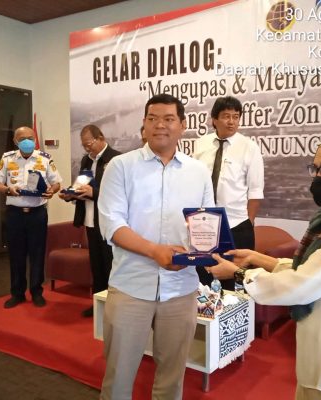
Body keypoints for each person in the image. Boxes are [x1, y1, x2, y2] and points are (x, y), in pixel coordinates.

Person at [208, 131, 321, 400]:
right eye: (316, 168)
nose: (319, 177)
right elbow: (312, 268)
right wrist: (258, 258)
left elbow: (305, 283)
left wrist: (238, 273)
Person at [97, 94, 214, 400]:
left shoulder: (198, 172)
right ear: (144, 124)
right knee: (118, 376)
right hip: (130, 286)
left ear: (183, 125)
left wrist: (205, 251)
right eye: (153, 118)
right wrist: (155, 251)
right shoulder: (120, 167)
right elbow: (112, 225)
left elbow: (206, 227)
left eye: (169, 119)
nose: (160, 125)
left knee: (172, 378)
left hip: (181, 288)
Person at [193, 96, 264, 290]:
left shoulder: (249, 147)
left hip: (236, 224)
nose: (231, 121)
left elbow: (255, 192)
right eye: (226, 116)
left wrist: (248, 222)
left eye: (236, 116)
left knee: (235, 284)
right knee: (205, 279)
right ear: (214, 119)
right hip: (205, 224)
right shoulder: (201, 144)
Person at [0, 126, 62, 308]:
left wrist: (51, 191)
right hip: (15, 214)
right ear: (15, 142)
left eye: (30, 138)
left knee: (37, 253)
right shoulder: (7, 158)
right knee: (16, 254)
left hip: (37, 214)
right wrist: (8, 189)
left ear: (35, 139)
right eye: (22, 139)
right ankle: (17, 293)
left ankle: (37, 292)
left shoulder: (44, 158)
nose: (27, 141)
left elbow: (56, 183)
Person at [59, 124, 120, 317]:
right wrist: (71, 193)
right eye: (84, 145)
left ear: (101, 138)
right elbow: (82, 185)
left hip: (108, 223)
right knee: (96, 266)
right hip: (90, 221)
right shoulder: (86, 160)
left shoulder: (116, 159)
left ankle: (113, 308)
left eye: (89, 144)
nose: (87, 148)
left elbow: (119, 194)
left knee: (110, 266)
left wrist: (93, 192)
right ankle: (98, 305)